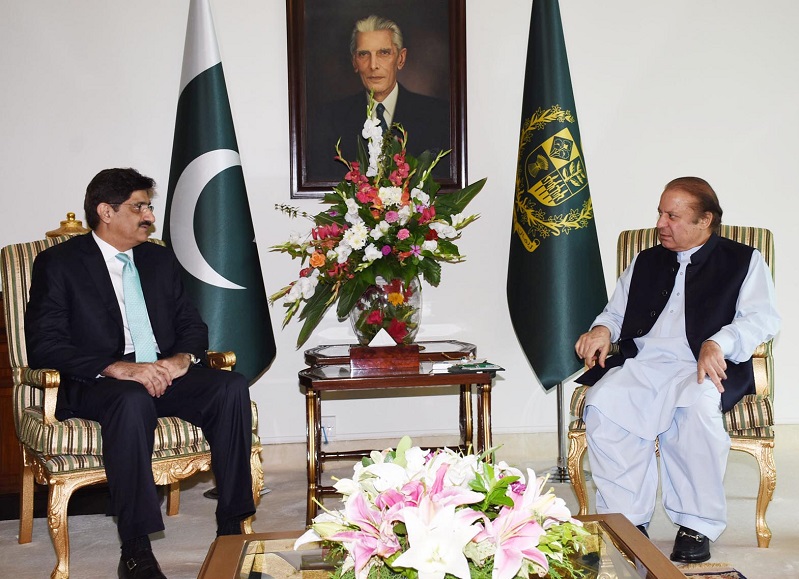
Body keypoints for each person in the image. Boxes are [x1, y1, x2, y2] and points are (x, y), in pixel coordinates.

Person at [25, 168, 255, 579]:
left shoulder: (158, 258)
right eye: (140, 206)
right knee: (130, 400)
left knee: (230, 387)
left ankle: (232, 527)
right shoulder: (59, 263)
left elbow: (191, 324)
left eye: (149, 205)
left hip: (158, 370)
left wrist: (181, 360)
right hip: (93, 381)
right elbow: (46, 344)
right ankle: (135, 550)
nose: (150, 215)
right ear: (105, 212)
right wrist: (116, 367)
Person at [574, 177, 780, 563]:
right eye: (660, 213)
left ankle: (696, 524)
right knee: (604, 404)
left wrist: (719, 342)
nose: (660, 224)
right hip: (644, 363)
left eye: (673, 216)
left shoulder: (744, 260)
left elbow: (760, 320)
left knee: (697, 409)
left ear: (706, 220)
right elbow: (616, 312)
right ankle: (627, 520)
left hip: (700, 365)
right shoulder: (646, 260)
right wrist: (602, 329)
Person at [307, 14, 451, 182]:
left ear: (401, 59)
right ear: (354, 62)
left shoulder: (439, 116)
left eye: (384, 53)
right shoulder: (328, 119)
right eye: (364, 54)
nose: (373, 65)